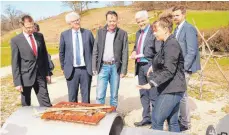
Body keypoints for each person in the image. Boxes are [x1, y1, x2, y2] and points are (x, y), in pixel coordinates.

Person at [137, 16, 187, 132]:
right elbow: (163, 60)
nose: (154, 34)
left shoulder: (171, 44)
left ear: (165, 29)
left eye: (156, 30)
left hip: (171, 90)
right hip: (171, 88)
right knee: (173, 122)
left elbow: (169, 70)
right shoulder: (166, 43)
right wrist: (152, 67)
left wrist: (151, 83)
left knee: (156, 120)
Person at [10, 15, 52, 107]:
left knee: (46, 103)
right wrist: (17, 82)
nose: (31, 29)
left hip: (40, 75)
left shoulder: (39, 36)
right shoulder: (15, 40)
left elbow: (44, 56)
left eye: (32, 26)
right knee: (26, 104)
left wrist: (47, 73)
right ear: (22, 26)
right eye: (28, 27)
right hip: (25, 77)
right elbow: (15, 63)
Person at [172, 5, 201, 131]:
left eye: (177, 15)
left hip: (185, 68)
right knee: (178, 94)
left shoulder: (189, 28)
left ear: (184, 15)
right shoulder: (176, 29)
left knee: (182, 94)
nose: (174, 18)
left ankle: (185, 123)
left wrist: (184, 68)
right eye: (173, 16)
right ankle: (180, 118)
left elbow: (192, 51)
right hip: (177, 67)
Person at [130, 10, 161, 127]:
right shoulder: (138, 33)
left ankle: (156, 121)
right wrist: (133, 52)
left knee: (153, 93)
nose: (141, 23)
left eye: (143, 20)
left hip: (150, 66)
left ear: (147, 19)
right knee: (143, 93)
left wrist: (154, 65)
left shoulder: (154, 32)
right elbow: (135, 47)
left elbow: (158, 51)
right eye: (138, 22)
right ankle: (146, 118)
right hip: (140, 66)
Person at [92, 11, 128, 108]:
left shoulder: (122, 33)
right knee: (100, 95)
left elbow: (125, 52)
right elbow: (95, 50)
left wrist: (123, 70)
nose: (112, 23)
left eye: (114, 21)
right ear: (106, 21)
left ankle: (112, 117)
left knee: (114, 96)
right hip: (102, 66)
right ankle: (100, 116)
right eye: (110, 21)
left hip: (115, 67)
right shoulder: (100, 32)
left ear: (117, 21)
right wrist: (94, 67)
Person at [59, 12, 94, 103]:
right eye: (74, 21)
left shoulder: (88, 33)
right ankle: (74, 114)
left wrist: (94, 66)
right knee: (72, 96)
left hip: (86, 70)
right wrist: (63, 66)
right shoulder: (64, 35)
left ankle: (86, 114)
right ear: (69, 23)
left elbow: (94, 51)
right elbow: (61, 52)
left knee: (86, 96)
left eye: (78, 20)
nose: (77, 22)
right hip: (71, 70)